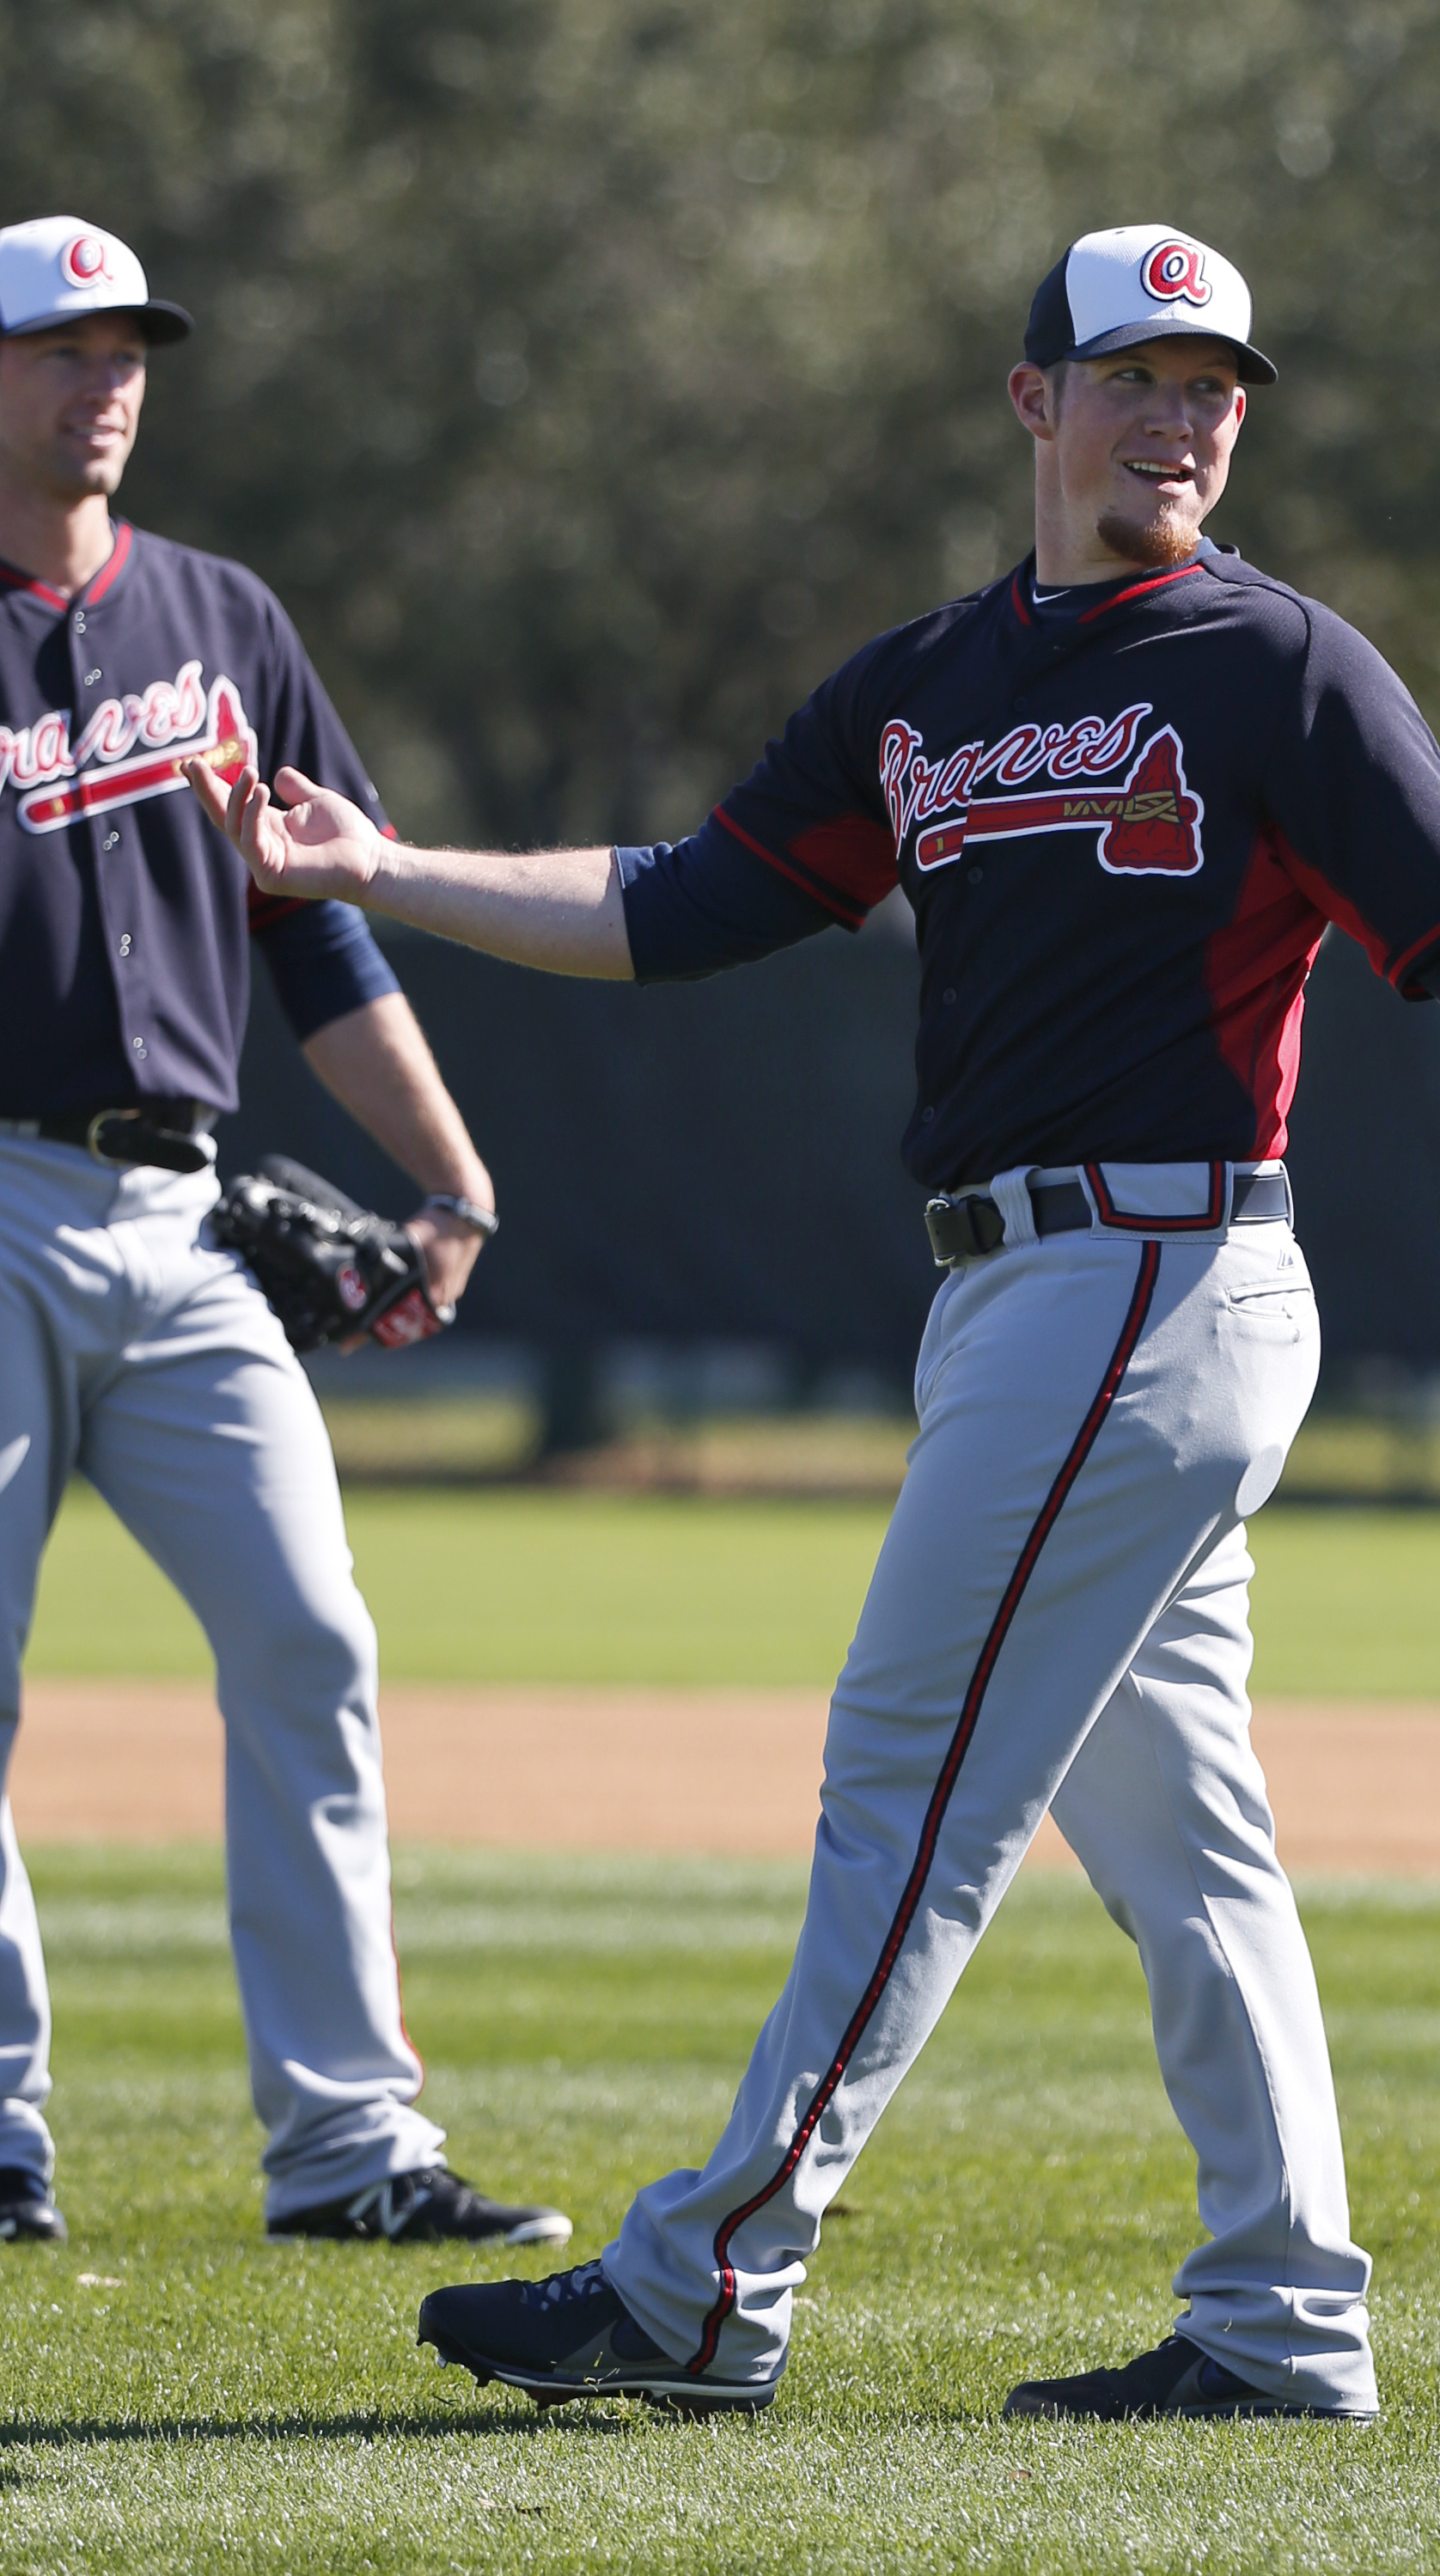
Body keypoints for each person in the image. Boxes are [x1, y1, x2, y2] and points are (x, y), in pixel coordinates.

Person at [192, 223, 1440, 2416]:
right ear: (1032, 402)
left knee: (904, 1776)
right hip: (1019, 1293)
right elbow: (674, 904)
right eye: (1134, 377)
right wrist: (372, 867)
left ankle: (703, 2287)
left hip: (1153, 1273)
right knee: (1182, 1829)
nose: (1176, 419)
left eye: (1212, 385)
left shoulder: (1279, 663)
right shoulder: (923, 686)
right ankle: (1279, 2320)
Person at [0, 214, 568, 2250]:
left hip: (184, 1209)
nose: (108, 377)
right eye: (64, 344)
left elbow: (314, 919)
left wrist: (449, 1174)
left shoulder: (220, 620)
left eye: (130, 343)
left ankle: (349, 2153)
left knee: (312, 1639)